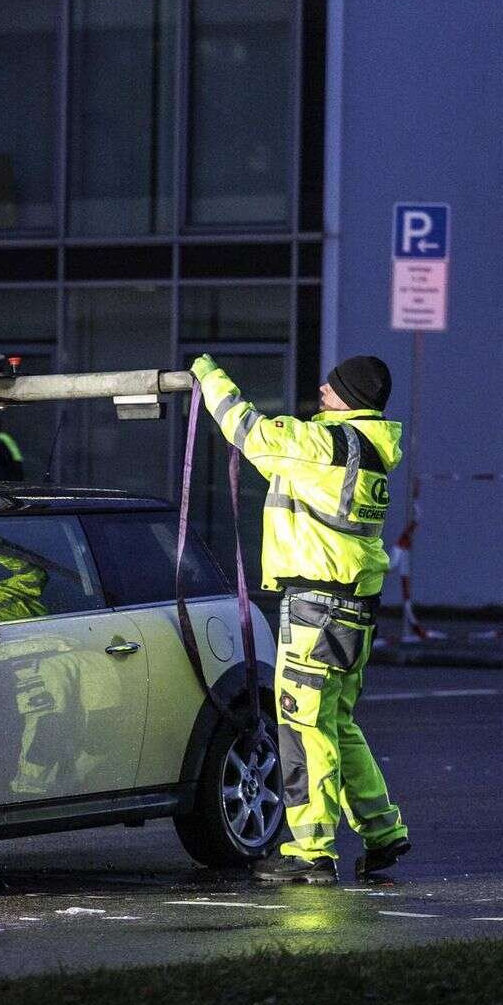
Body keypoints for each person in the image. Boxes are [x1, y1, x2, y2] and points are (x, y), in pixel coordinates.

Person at [189, 352, 408, 884]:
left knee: (303, 726)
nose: (321, 391)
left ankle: (311, 851)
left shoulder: (325, 442)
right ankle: (383, 832)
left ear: (350, 398)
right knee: (337, 724)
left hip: (315, 607)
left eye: (332, 387)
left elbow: (250, 431)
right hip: (354, 609)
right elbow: (279, 461)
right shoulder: (361, 450)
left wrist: (206, 373)